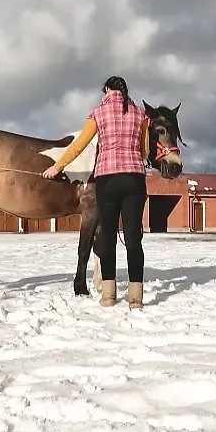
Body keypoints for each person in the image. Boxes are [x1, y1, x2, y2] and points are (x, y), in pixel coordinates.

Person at [42, 76, 150, 309]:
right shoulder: (141, 115)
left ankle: (109, 296)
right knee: (133, 239)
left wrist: (57, 166)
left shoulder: (98, 113)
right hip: (134, 179)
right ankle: (136, 298)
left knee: (108, 238)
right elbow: (144, 151)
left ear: (107, 90)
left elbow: (79, 144)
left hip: (107, 180)